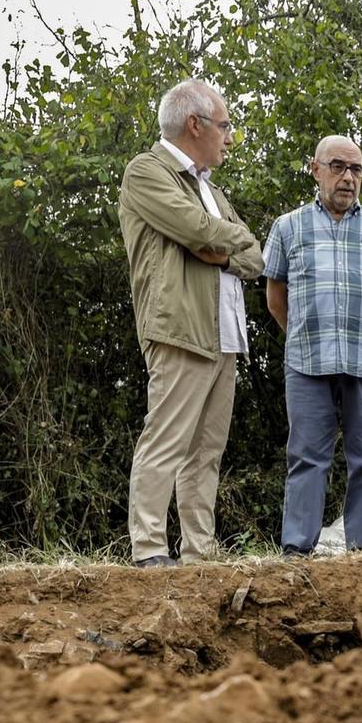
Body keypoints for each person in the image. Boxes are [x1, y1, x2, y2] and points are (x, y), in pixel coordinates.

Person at [117, 78, 263, 567]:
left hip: (225, 334)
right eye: (224, 125)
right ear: (195, 124)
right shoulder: (146, 172)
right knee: (167, 439)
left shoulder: (211, 190)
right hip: (180, 327)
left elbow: (254, 259)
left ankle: (199, 552)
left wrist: (219, 254)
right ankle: (150, 549)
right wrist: (226, 240)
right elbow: (194, 228)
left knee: (206, 453)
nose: (228, 135)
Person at [263, 135, 362, 555]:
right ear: (315, 169)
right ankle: (297, 552)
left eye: (356, 169)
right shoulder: (288, 227)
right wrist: (305, 334)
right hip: (307, 362)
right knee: (307, 458)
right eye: (337, 167)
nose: (347, 177)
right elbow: (275, 297)